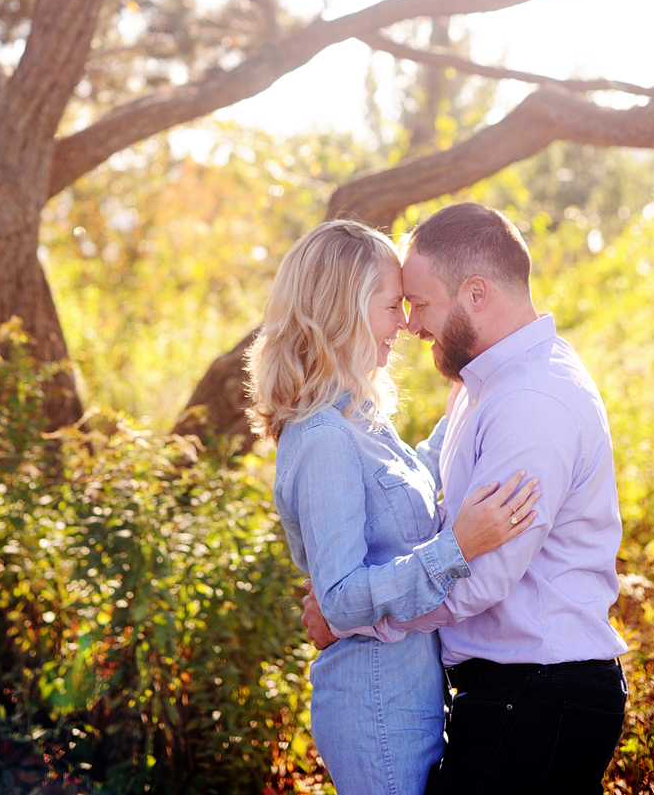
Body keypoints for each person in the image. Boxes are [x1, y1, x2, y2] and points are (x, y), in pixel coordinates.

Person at [303, 203, 627, 795]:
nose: (411, 324)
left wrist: (355, 620)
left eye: (420, 303)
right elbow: (433, 494)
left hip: (539, 697)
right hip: (515, 697)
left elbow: (479, 579)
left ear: (475, 293)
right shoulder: (486, 388)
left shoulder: (532, 402)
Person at [245, 218, 539, 795]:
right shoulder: (325, 436)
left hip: (409, 692)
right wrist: (458, 547)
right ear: (343, 311)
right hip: (374, 702)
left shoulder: (362, 422)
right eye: (390, 306)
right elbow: (339, 599)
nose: (406, 324)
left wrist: (475, 393)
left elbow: (416, 476)